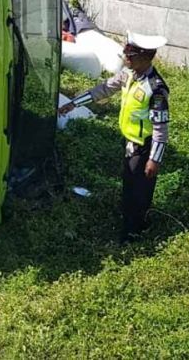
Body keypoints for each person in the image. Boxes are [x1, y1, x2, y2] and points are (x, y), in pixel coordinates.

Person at [58, 32, 170, 242]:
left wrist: (154, 159)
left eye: (130, 53)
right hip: (130, 142)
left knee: (138, 192)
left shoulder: (155, 89)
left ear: (146, 57)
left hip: (144, 147)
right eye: (126, 51)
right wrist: (74, 103)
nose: (125, 57)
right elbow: (104, 89)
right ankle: (132, 222)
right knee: (129, 186)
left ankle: (133, 234)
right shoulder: (129, 74)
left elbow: (160, 128)